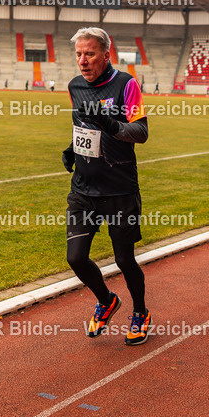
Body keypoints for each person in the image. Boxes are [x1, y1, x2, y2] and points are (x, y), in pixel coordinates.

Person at [62, 27, 151, 346]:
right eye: (78, 55)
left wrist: (110, 124)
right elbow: (81, 125)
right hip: (84, 188)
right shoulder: (75, 86)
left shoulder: (125, 84)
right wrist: (73, 148)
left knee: (124, 259)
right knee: (75, 257)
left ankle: (140, 312)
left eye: (89, 54)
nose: (82, 61)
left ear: (105, 55)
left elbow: (140, 132)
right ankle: (106, 300)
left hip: (119, 188)